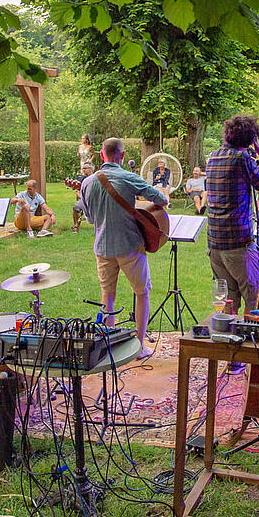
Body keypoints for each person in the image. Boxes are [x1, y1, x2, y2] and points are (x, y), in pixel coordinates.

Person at [80, 138, 168, 359]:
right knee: (141, 292)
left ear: (102, 155)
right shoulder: (129, 177)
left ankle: (110, 343)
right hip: (130, 246)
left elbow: (90, 219)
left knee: (107, 295)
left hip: (102, 246)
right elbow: (161, 199)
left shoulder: (87, 183)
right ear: (121, 155)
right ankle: (139, 345)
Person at [205, 114, 259, 321]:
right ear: (250, 139)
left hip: (215, 243)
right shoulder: (242, 158)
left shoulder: (214, 157)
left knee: (228, 302)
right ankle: (249, 347)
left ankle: (228, 346)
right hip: (238, 243)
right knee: (254, 300)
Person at [72, 162, 95, 232]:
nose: (83, 170)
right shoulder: (81, 180)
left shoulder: (97, 178)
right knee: (76, 206)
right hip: (84, 200)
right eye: (83, 168)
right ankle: (76, 225)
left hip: (97, 200)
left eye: (85, 168)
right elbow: (78, 193)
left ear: (91, 169)